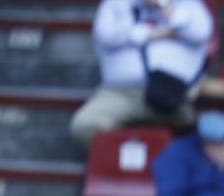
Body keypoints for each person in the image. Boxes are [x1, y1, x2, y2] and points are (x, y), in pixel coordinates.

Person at [70, 0, 213, 145]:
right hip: (121, 95)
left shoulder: (190, 5)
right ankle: (119, 164)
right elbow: (105, 35)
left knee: (207, 128)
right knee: (86, 125)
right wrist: (149, 34)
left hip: (177, 96)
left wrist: (163, 4)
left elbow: (199, 33)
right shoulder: (114, 4)